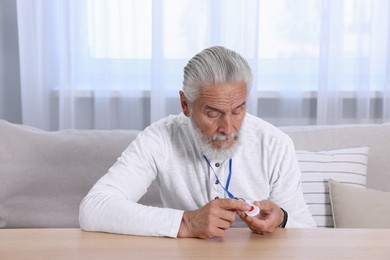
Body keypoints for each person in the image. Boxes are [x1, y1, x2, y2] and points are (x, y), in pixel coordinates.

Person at [79, 46, 316, 239]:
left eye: (238, 110)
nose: (228, 128)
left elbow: (308, 233)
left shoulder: (275, 144)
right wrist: (186, 223)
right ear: (185, 105)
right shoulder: (159, 138)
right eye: (213, 113)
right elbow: (94, 208)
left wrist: (282, 219)